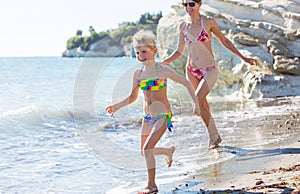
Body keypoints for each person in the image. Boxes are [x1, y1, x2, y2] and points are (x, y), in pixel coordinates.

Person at [105, 30, 200, 194]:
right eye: (137, 52)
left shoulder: (161, 70)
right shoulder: (138, 73)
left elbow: (186, 83)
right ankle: (167, 151)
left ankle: (152, 185)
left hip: (163, 116)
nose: (140, 55)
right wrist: (117, 106)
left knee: (148, 149)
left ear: (154, 51)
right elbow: (133, 97)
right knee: (144, 152)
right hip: (147, 117)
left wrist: (196, 103)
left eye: (144, 51)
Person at [160, 0, 258, 150]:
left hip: (209, 69)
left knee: (197, 104)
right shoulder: (182, 25)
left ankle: (214, 135)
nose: (188, 8)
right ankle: (213, 136)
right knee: (202, 104)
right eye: (185, 4)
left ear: (199, 4)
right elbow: (179, 52)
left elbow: (224, 41)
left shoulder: (208, 22)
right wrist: (162, 63)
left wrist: (244, 58)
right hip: (191, 70)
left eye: (191, 4)